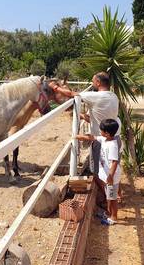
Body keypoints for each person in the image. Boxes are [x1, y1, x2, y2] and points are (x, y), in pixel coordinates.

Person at [50, 72, 123, 201]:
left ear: (98, 83)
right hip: (115, 137)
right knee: (113, 170)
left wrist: (55, 88)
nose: (92, 83)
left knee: (98, 173)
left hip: (102, 141)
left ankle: (110, 200)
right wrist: (82, 116)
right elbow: (100, 119)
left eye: (93, 81)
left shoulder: (95, 96)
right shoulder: (114, 97)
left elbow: (72, 94)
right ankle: (116, 195)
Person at [76, 119, 121, 225]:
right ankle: (108, 212)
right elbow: (92, 137)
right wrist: (78, 137)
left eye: (101, 130)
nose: (99, 132)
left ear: (107, 133)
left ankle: (114, 217)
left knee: (112, 198)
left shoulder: (113, 145)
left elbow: (114, 162)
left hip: (112, 176)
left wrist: (110, 176)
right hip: (108, 175)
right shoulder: (104, 139)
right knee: (109, 196)